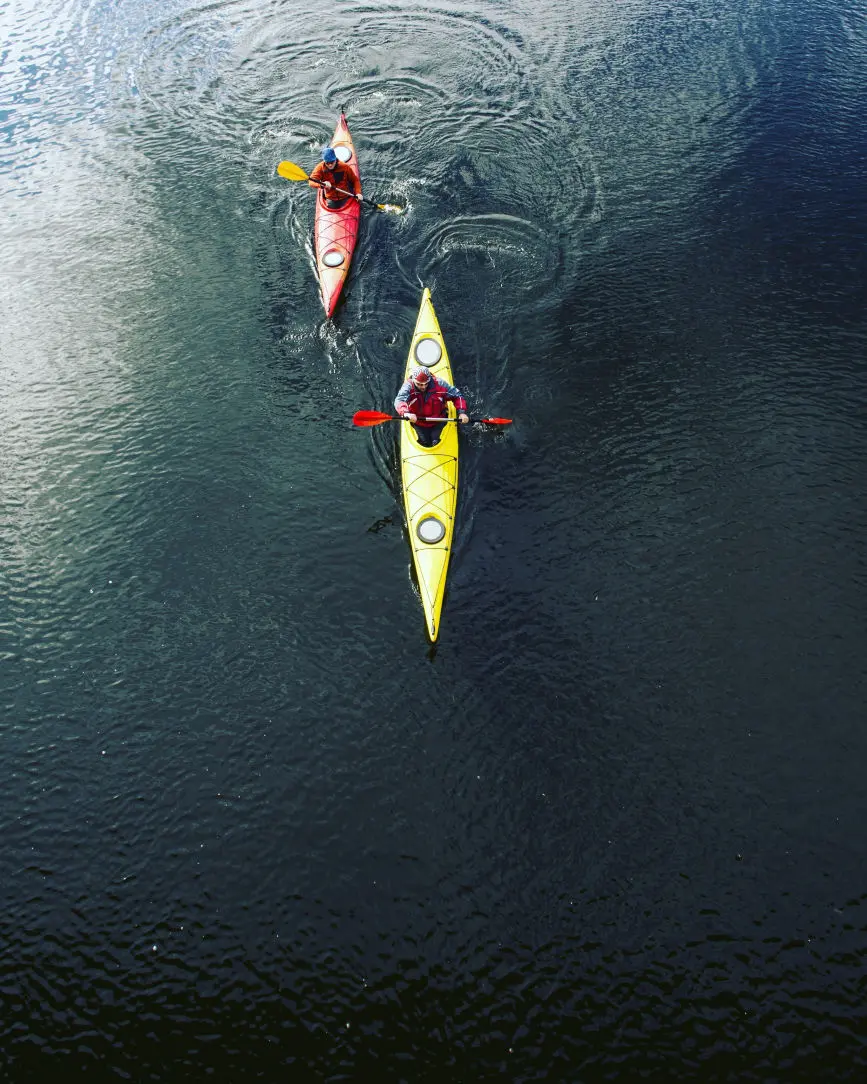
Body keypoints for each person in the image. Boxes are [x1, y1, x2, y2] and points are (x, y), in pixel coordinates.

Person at [394, 365, 469, 447]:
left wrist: (461, 412)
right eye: (419, 384)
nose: (423, 387)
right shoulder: (408, 387)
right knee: (425, 442)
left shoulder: (440, 384)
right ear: (414, 380)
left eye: (426, 383)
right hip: (418, 421)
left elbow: (457, 396)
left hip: (439, 420)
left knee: (435, 442)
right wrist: (405, 413)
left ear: (429, 379)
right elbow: (399, 400)